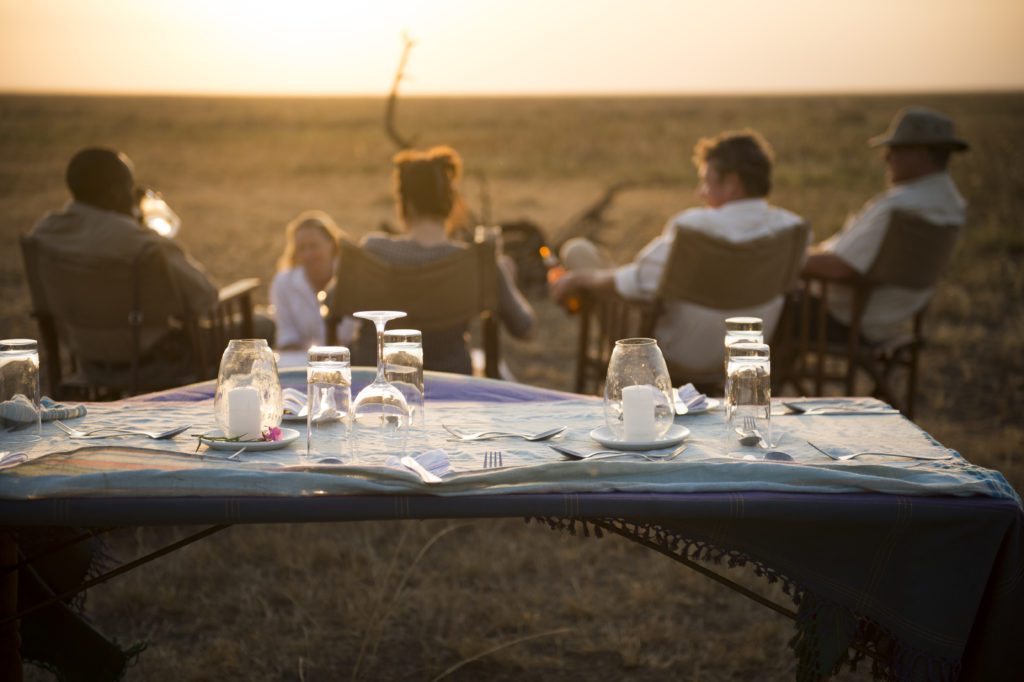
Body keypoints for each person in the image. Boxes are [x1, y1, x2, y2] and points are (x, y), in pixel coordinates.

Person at [549, 129, 805, 374]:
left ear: (732, 184)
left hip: (672, 355)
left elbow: (634, 284)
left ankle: (623, 373)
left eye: (706, 181)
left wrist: (578, 279)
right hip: (745, 355)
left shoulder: (695, 229)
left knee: (579, 252)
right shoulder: (792, 229)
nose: (700, 193)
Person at [355, 145, 536, 374]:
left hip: (375, 379)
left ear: (405, 204)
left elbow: (331, 305)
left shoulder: (373, 251)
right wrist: (506, 278)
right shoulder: (479, 262)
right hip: (451, 385)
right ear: (450, 204)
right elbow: (526, 329)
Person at [802, 107, 968, 342]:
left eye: (895, 149)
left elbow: (839, 267)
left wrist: (783, 258)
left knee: (751, 308)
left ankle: (750, 376)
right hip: (889, 320)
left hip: (844, 318)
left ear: (921, 153)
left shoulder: (899, 207)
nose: (886, 157)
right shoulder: (952, 207)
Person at [271, 210, 357, 350]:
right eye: (301, 248)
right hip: (302, 362)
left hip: (350, 360)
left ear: (331, 244)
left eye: (314, 246)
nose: (308, 254)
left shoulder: (352, 278)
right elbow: (286, 337)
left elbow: (357, 332)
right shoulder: (283, 283)